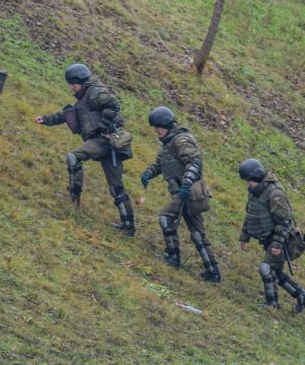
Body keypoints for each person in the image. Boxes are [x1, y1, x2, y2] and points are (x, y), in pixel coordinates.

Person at [35, 63, 135, 235]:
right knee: (116, 187)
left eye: (73, 83)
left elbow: (113, 104)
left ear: (80, 80)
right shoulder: (85, 96)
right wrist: (46, 119)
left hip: (104, 142)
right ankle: (128, 225)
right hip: (105, 144)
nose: (71, 87)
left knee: (74, 157)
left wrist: (104, 129)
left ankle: (74, 199)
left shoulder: (95, 92)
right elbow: (69, 115)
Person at [140, 107, 219, 281]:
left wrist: (186, 183)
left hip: (189, 193)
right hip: (184, 193)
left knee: (165, 217)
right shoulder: (168, 142)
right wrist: (148, 173)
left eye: (158, 127)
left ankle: (173, 257)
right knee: (197, 233)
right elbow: (161, 163)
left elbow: (194, 162)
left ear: (167, 125)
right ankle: (213, 270)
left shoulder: (181, 140)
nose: (156, 130)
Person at [238, 157, 305, 312]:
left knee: (266, 268)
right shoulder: (255, 191)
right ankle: (303, 297)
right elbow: (251, 214)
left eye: (249, 180)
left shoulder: (275, 193)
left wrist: (277, 244)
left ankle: (271, 304)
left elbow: (285, 221)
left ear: (256, 177)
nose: (248, 184)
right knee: (277, 273)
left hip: (280, 239)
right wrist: (244, 236)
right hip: (268, 238)